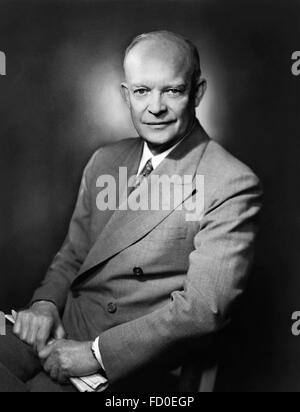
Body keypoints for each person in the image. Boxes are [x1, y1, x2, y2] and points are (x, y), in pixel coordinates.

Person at [0, 30, 263, 392]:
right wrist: (45, 304)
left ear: (198, 92)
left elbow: (202, 309)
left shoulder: (230, 181)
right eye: (142, 91)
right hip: (62, 326)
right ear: (127, 95)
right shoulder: (104, 161)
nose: (155, 107)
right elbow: (73, 255)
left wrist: (95, 354)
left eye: (172, 90)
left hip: (126, 364)